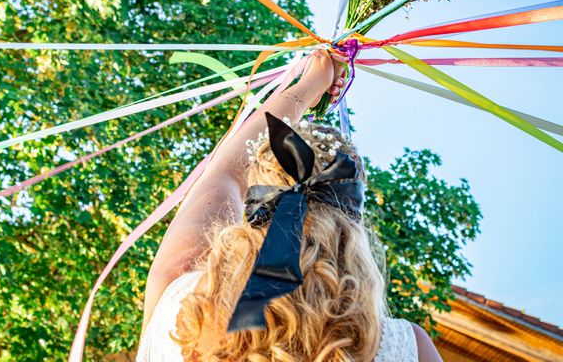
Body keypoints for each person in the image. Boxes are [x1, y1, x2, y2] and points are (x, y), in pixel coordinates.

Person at [137, 50, 443, 361]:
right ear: (352, 224)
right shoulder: (408, 348)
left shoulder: (183, 301)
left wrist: (309, 84)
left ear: (258, 198)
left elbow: (225, 171)